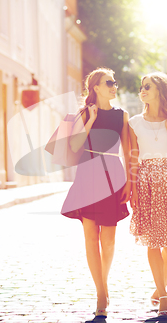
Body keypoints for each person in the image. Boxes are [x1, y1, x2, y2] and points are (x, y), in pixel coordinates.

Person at [60, 67, 132, 321]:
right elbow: (73, 148)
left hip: (113, 174)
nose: (114, 86)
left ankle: (104, 284)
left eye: (114, 82)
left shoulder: (122, 116)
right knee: (91, 236)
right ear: (96, 88)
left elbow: (128, 151)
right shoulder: (81, 114)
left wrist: (129, 182)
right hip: (87, 173)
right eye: (108, 82)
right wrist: (89, 120)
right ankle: (101, 293)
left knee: (109, 239)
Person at [128, 72, 167, 319]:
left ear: (160, 92)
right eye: (141, 87)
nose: (142, 91)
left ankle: (159, 285)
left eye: (147, 87)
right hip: (146, 183)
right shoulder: (133, 122)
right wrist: (131, 189)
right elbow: (132, 159)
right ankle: (163, 294)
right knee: (152, 241)